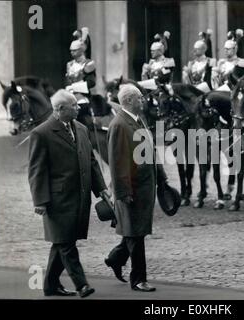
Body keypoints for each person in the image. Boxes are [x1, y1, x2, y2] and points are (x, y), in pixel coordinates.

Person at [28, 89, 109, 298]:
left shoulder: (81, 129)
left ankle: (50, 285)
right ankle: (82, 284)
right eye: (74, 105)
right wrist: (40, 201)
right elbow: (37, 170)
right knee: (66, 243)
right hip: (57, 200)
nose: (78, 107)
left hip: (79, 197)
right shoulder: (41, 133)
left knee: (63, 241)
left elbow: (91, 162)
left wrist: (101, 189)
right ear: (60, 109)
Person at [105, 84, 159, 292]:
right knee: (136, 233)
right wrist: (123, 192)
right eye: (139, 98)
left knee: (135, 231)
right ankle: (138, 279)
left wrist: (160, 179)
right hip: (132, 190)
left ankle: (115, 259)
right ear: (128, 101)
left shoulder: (137, 121)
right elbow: (118, 162)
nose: (143, 100)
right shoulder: (119, 125)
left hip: (144, 187)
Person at [65, 27, 96, 109]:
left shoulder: (89, 63)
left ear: (81, 50)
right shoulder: (69, 64)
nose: (72, 52)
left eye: (74, 50)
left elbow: (91, 82)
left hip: (83, 97)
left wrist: (74, 87)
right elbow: (68, 81)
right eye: (71, 50)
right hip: (69, 95)